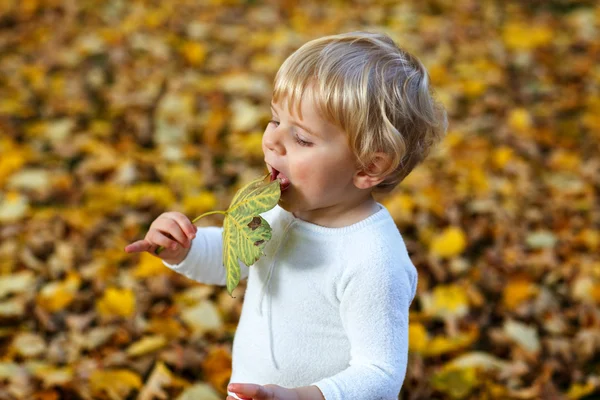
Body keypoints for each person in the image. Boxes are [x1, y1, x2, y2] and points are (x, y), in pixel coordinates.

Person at [125, 31, 447, 400]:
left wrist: (302, 396)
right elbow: (236, 259)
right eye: (275, 120)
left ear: (368, 166)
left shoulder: (372, 260)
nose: (272, 141)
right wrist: (183, 249)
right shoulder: (284, 212)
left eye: (303, 139)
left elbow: (379, 374)